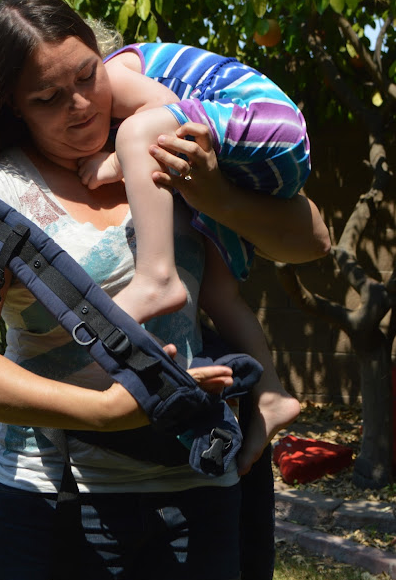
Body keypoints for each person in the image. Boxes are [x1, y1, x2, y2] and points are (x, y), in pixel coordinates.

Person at [0, 0, 330, 580]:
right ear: (13, 106)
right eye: (48, 98)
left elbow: (312, 241)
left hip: (197, 480)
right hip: (54, 495)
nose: (81, 105)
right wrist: (105, 411)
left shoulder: (162, 154)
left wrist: (213, 194)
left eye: (89, 76)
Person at [77, 42, 311, 473]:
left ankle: (156, 277)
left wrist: (115, 161)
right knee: (220, 295)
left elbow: (165, 107)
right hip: (242, 164)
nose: (73, 102)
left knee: (138, 134)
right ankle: (274, 396)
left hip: (268, 120)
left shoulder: (110, 71)